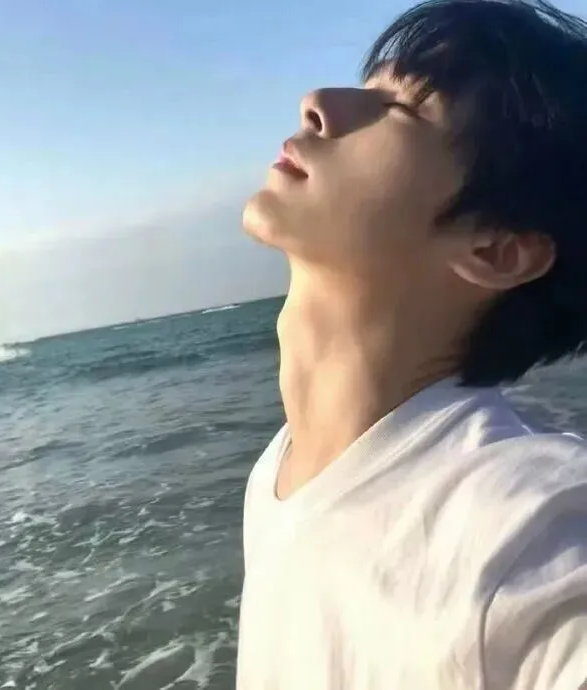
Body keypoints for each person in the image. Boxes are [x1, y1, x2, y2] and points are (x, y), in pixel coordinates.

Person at [236, 0, 587, 688]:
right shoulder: (279, 475)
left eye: (403, 109)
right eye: (368, 88)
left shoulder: (523, 529)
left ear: (496, 250)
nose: (319, 103)